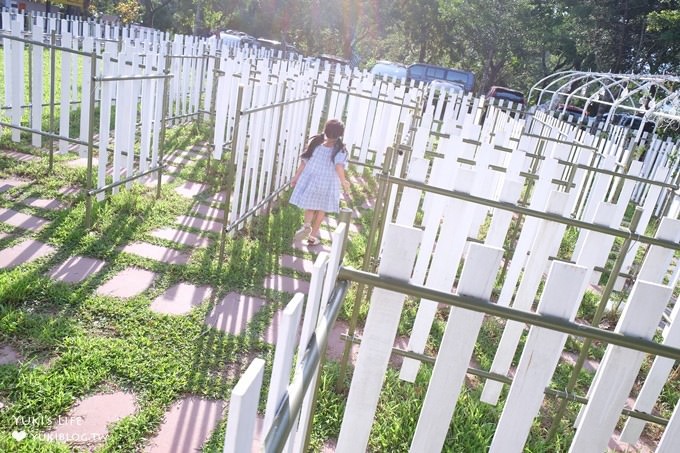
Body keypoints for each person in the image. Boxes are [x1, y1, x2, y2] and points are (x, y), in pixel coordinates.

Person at [290, 119, 350, 245]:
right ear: (340, 134)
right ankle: (312, 236)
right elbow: (339, 166)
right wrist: (344, 182)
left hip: (312, 180)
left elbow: (304, 162)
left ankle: (306, 225)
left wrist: (296, 177)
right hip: (327, 184)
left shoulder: (316, 143)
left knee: (311, 206)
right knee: (322, 210)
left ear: (325, 129)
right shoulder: (340, 149)